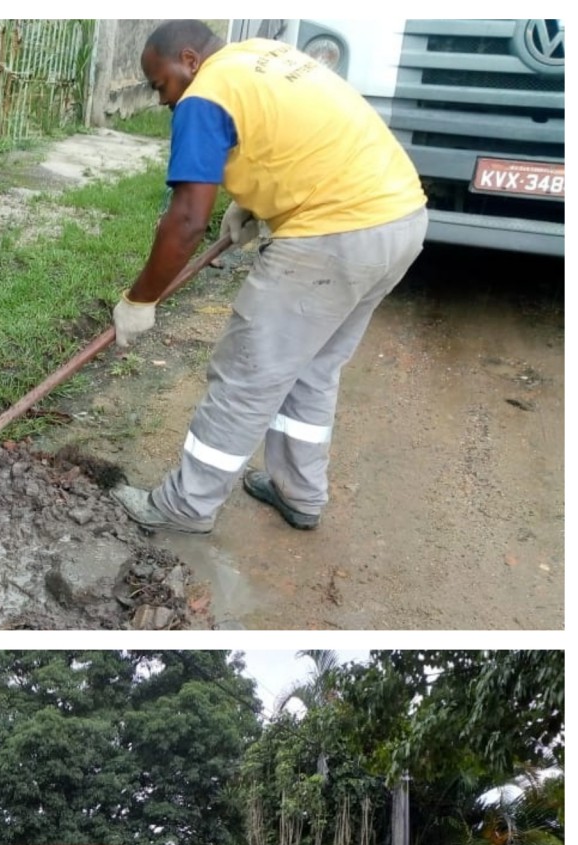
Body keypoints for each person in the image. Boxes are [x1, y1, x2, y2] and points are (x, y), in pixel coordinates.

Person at [110, 20, 427, 534]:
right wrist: (255, 203)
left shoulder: (206, 93)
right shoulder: (263, 55)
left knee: (246, 376)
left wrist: (140, 300)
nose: (163, 99)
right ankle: (298, 491)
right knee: (313, 368)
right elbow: (290, 136)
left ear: (189, 60)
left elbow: (187, 219)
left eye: (160, 83)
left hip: (334, 233)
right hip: (400, 219)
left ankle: (185, 506)